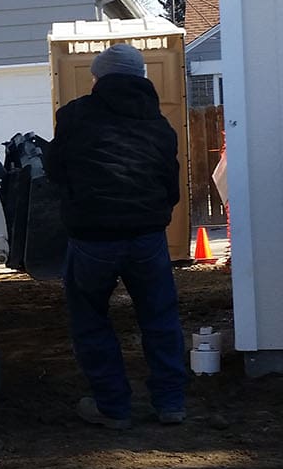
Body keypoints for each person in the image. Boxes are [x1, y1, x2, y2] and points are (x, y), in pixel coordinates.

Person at [44, 43, 189, 429]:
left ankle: (113, 407)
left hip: (93, 238)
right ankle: (171, 403)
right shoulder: (159, 125)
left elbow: (54, 169)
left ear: (99, 78)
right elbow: (169, 185)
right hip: (146, 237)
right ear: (141, 77)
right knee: (159, 317)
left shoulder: (75, 116)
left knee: (91, 318)